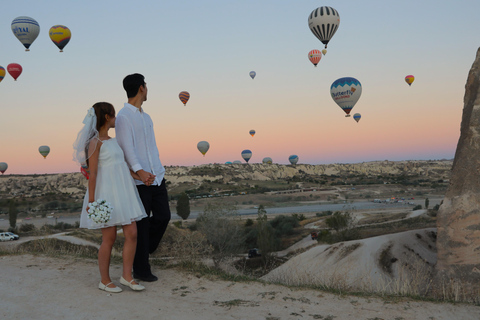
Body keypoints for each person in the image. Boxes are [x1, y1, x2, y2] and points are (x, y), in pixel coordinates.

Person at [74, 102, 149, 293]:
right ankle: (105, 280)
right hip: (106, 194)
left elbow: (122, 167)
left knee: (132, 233)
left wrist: (142, 176)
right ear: (107, 117)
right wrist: (92, 201)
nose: (116, 119)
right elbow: (93, 174)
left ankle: (127, 277)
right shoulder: (94, 143)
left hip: (124, 191)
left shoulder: (114, 141)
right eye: (114, 116)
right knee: (110, 238)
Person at [116, 73, 171, 282]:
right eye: (146, 86)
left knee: (163, 216)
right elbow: (126, 149)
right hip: (139, 182)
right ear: (141, 88)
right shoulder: (123, 116)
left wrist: (156, 168)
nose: (147, 89)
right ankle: (141, 269)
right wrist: (140, 172)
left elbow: (152, 148)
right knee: (142, 226)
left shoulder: (147, 117)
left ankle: (145, 250)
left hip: (156, 176)